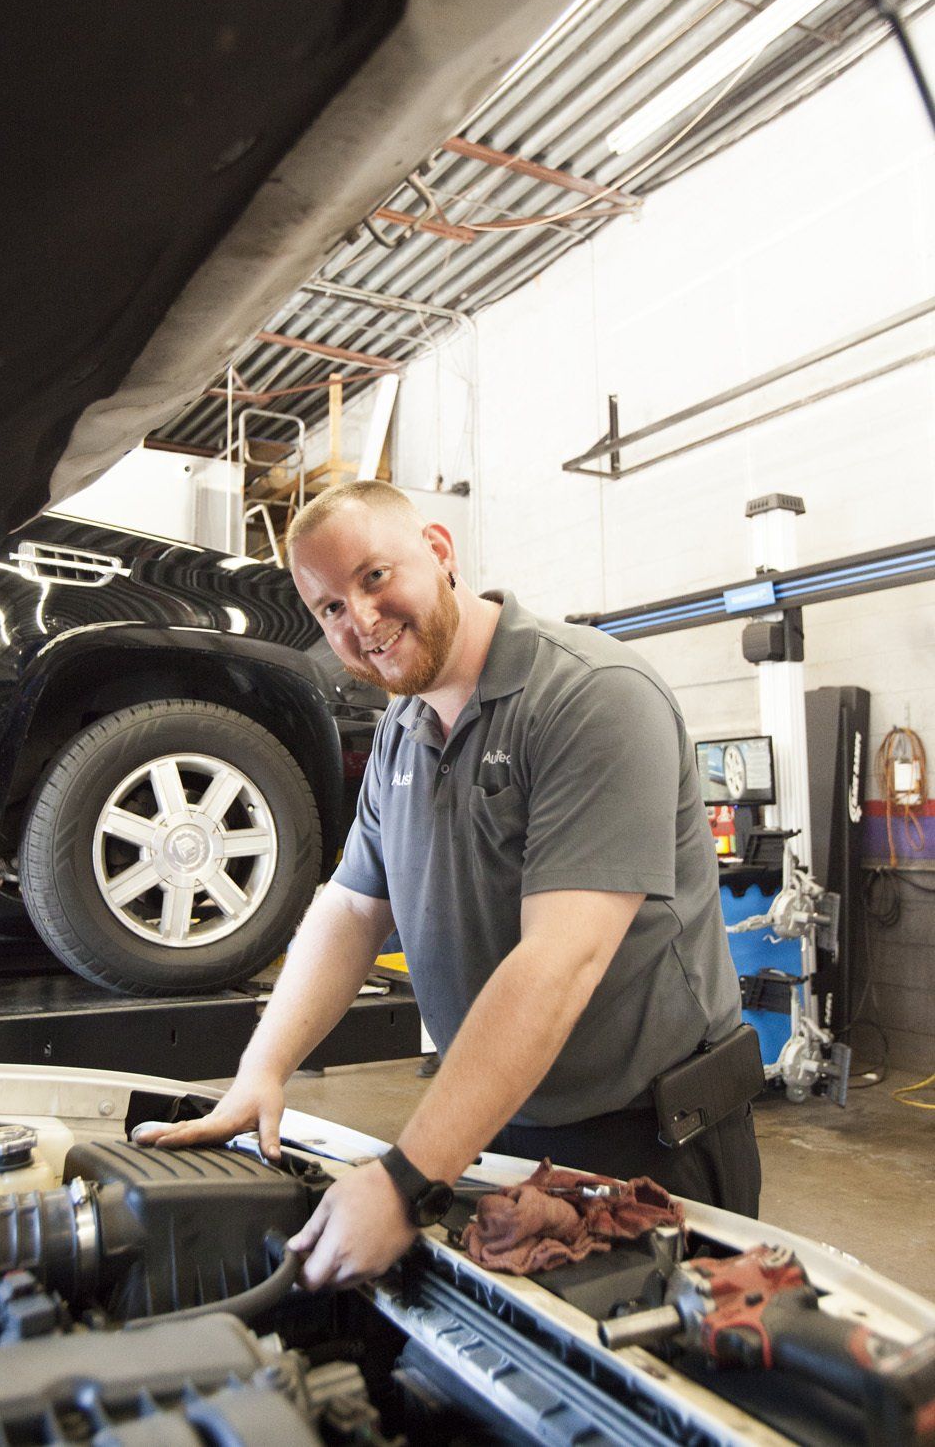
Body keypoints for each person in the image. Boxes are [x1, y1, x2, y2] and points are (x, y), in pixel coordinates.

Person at [137, 481, 760, 1287]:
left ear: (438, 550)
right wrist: (261, 1071)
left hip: (647, 1141)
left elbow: (559, 961)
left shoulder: (591, 697)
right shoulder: (402, 730)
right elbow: (353, 910)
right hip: (499, 1119)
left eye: (372, 577)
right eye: (328, 609)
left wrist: (403, 1181)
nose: (359, 622)